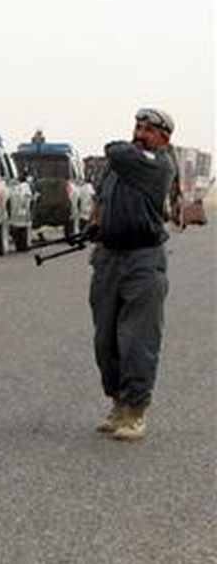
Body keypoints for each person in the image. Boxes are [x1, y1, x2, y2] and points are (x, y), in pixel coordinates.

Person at [89, 107, 176, 442]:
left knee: (137, 339)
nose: (139, 133)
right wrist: (96, 222)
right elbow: (101, 197)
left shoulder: (156, 164)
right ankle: (118, 405)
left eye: (148, 129)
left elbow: (114, 149)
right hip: (109, 258)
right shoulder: (121, 168)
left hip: (143, 260)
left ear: (164, 138)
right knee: (105, 340)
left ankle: (136, 412)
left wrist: (127, 146)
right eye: (137, 126)